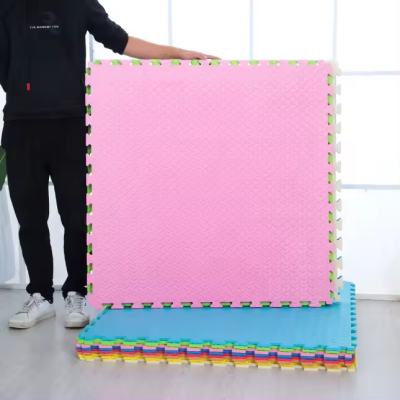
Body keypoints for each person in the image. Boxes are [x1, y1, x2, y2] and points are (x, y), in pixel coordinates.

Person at [0, 0, 217, 329]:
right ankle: (40, 296)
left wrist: (178, 53)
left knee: (77, 218)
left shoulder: (79, 3)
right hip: (21, 125)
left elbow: (121, 40)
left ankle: (76, 292)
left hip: (73, 125)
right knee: (30, 220)